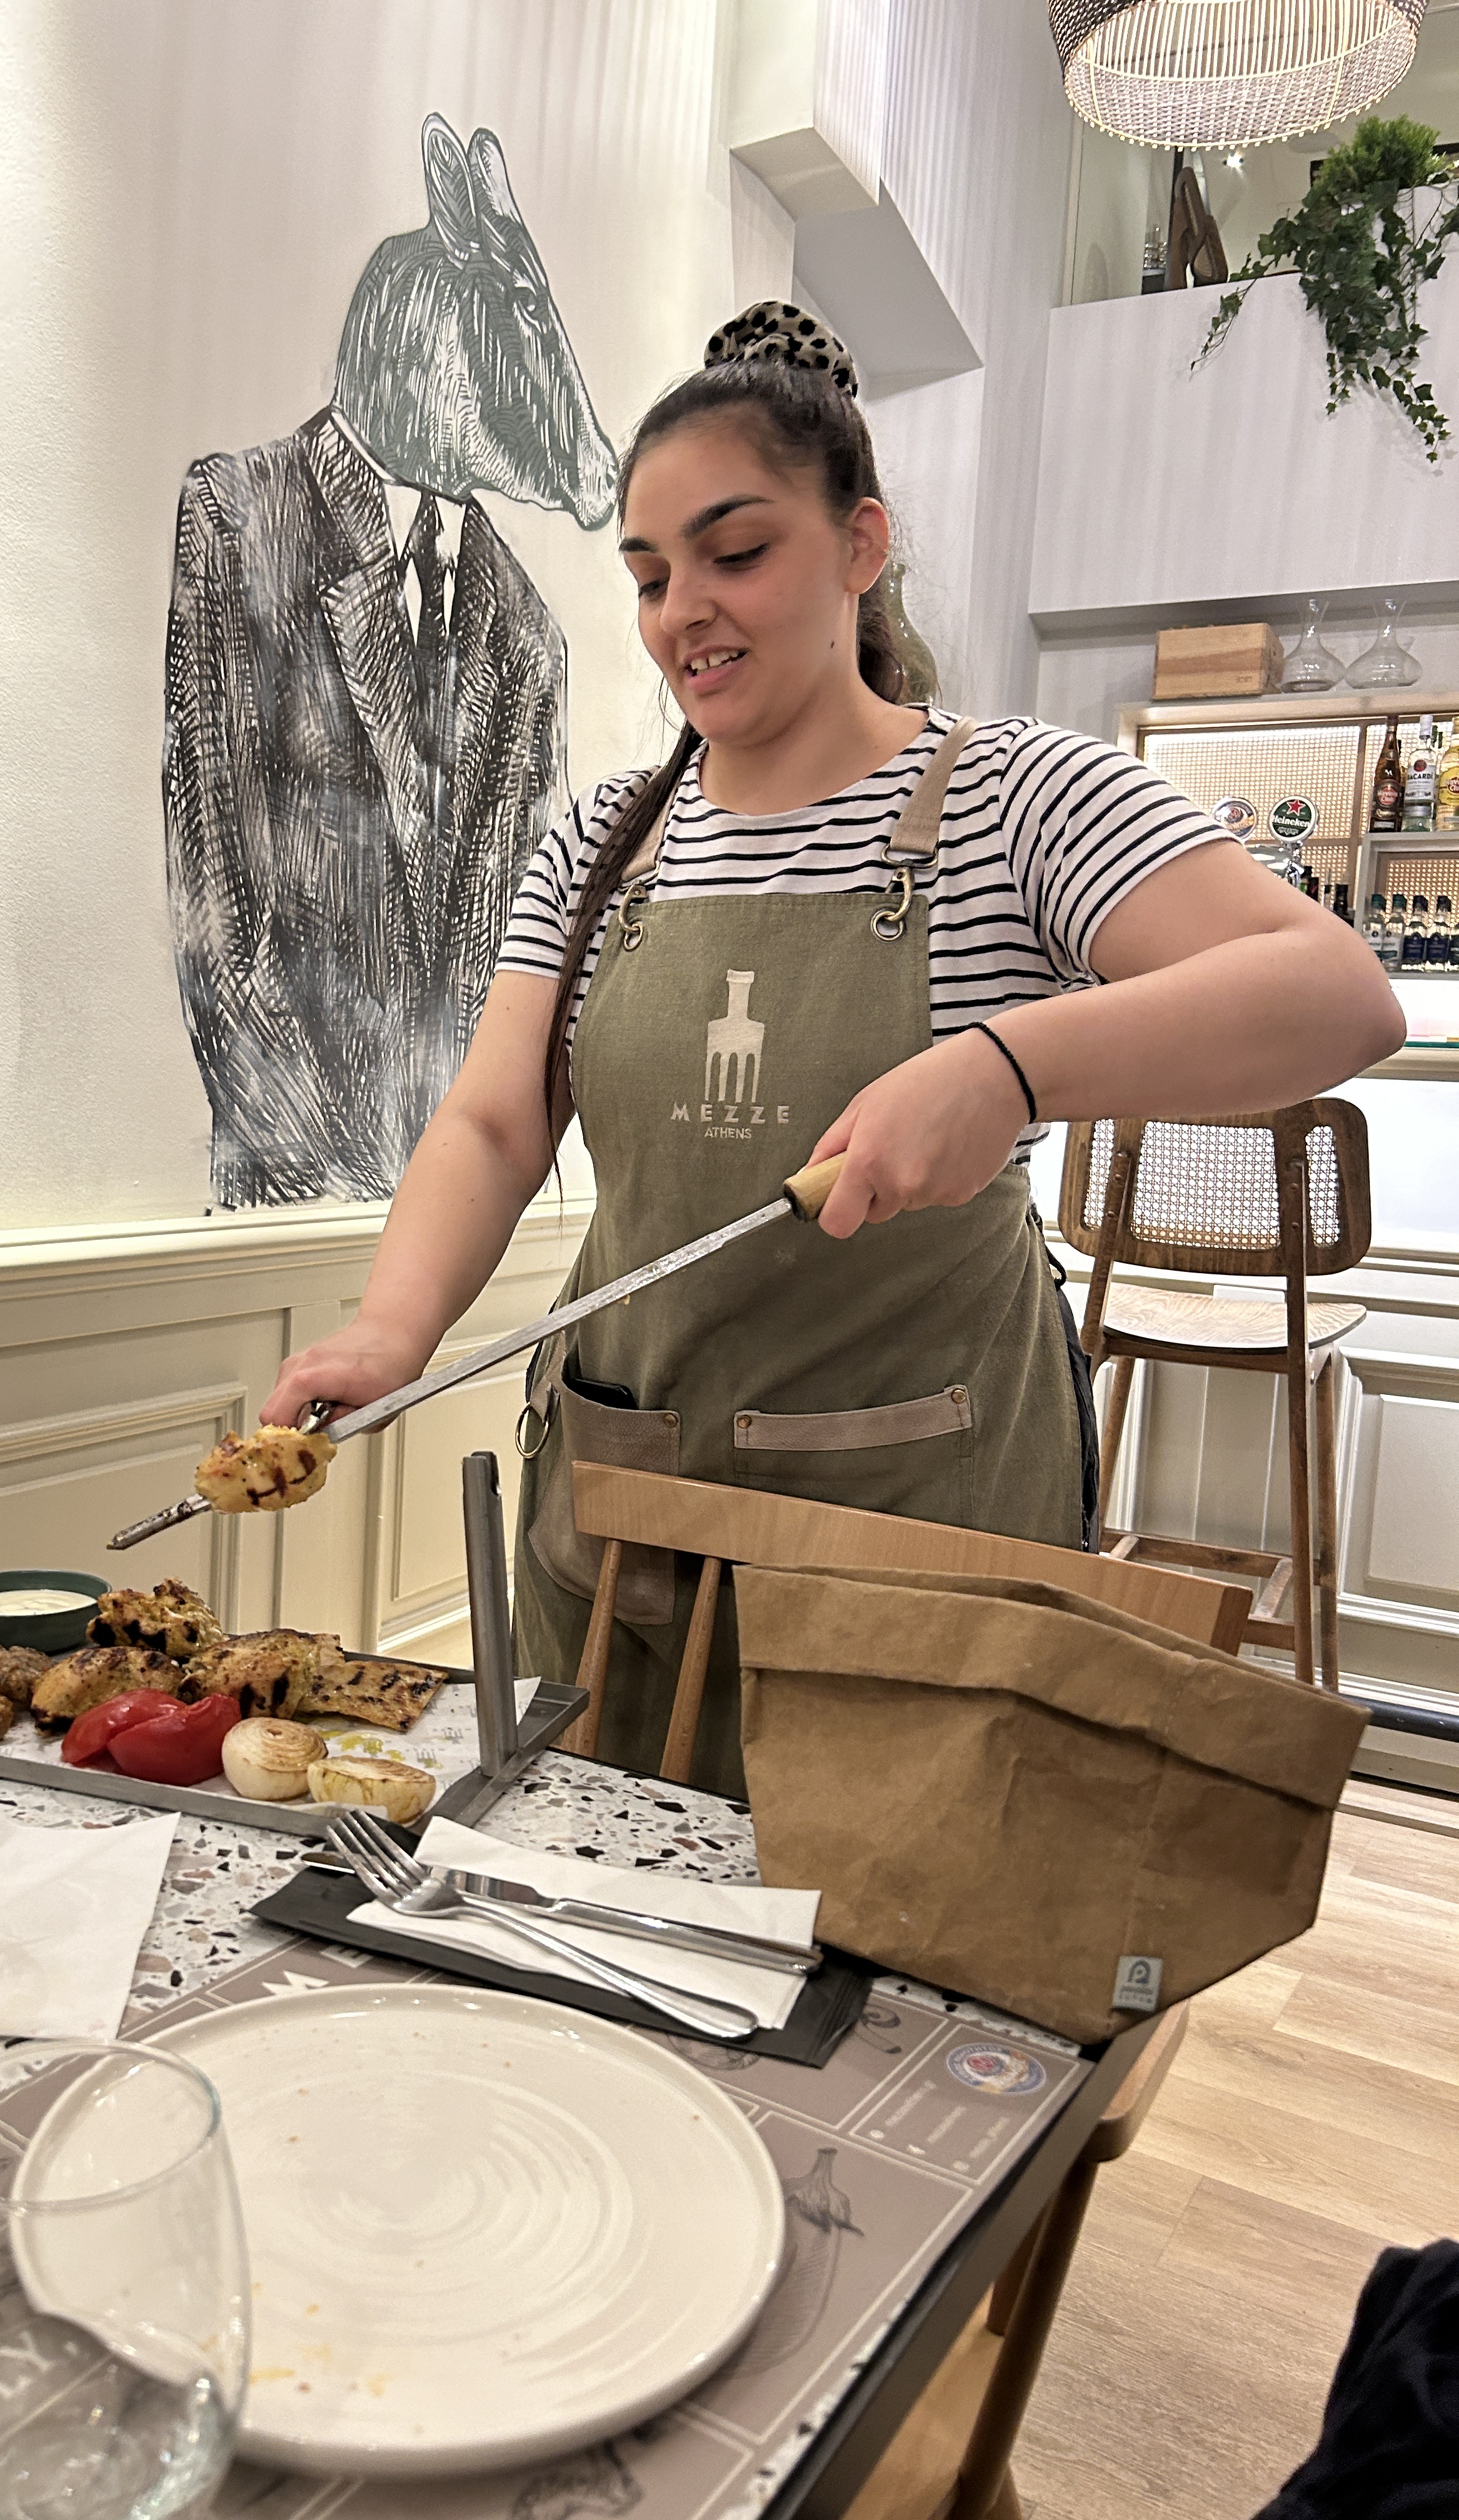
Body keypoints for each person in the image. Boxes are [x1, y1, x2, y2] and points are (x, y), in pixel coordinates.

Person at [263, 301, 1405, 1796]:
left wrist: (1008, 1069)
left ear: (861, 546)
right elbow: (495, 1123)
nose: (683, 611)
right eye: (650, 575)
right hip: (622, 1516)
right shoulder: (602, 845)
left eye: (736, 554)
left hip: (911, 1520)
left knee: (877, 1908)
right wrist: (391, 1329)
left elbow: (1338, 995)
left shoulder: (1015, 800)